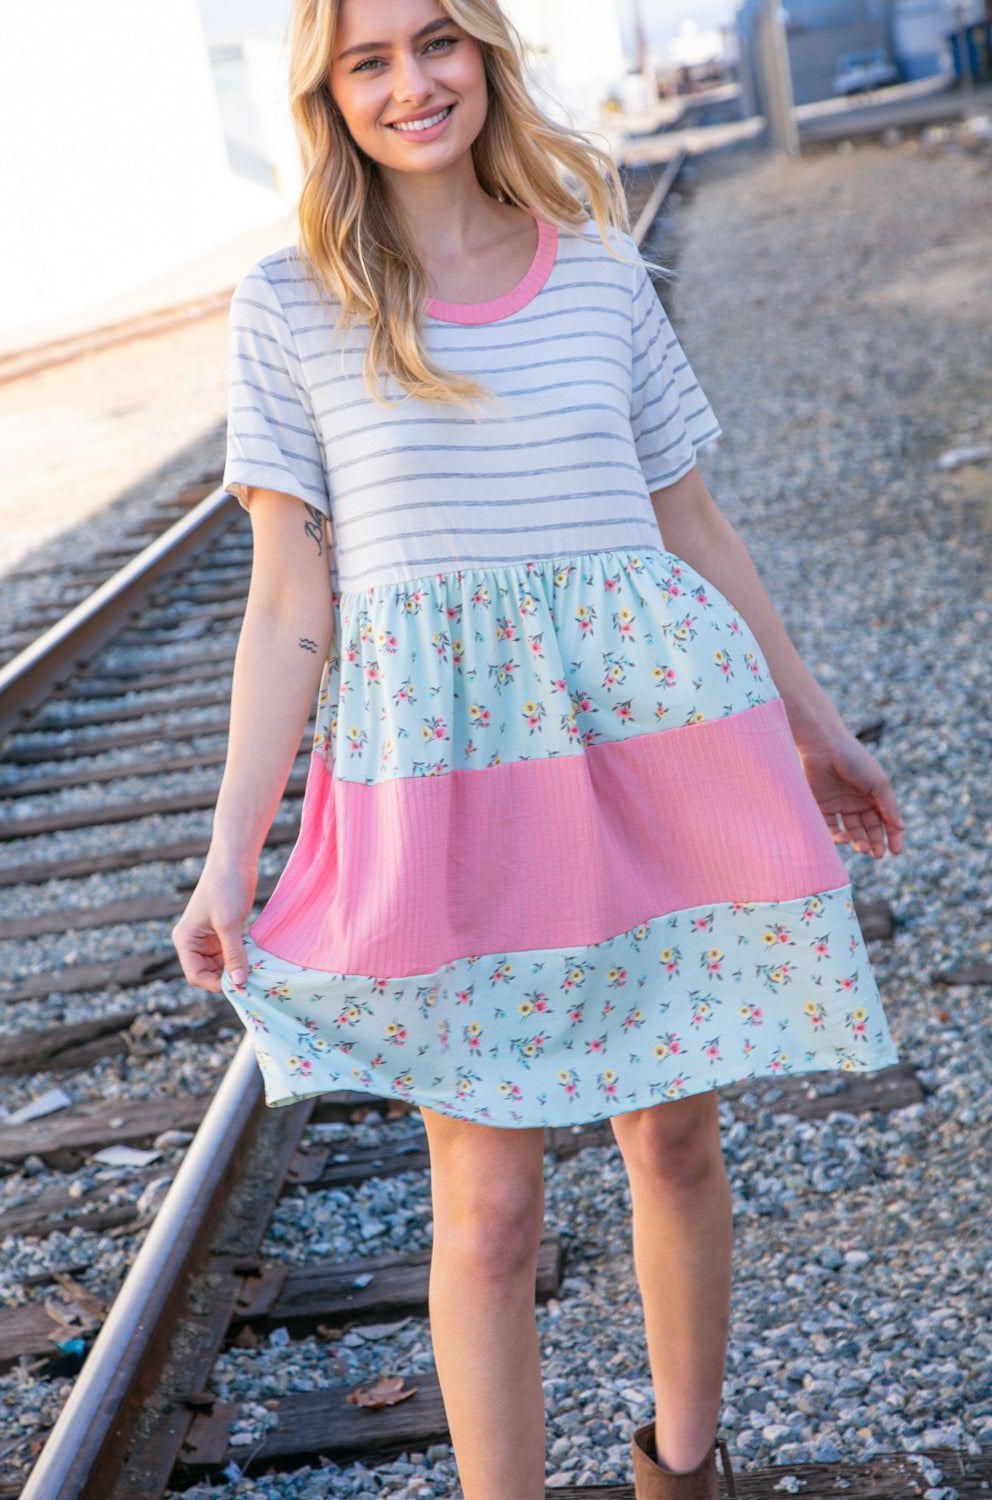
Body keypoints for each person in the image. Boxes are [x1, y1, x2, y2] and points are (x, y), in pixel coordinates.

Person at [172, 2, 905, 1496]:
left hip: (653, 757)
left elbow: (690, 525)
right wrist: (228, 857)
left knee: (676, 1148)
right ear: (330, 94)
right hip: (455, 797)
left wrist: (818, 731)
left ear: (486, 56)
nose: (410, 83)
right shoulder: (292, 303)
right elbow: (288, 600)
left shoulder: (599, 274)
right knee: (490, 1210)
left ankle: (679, 1470)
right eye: (368, 61)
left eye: (435, 42)